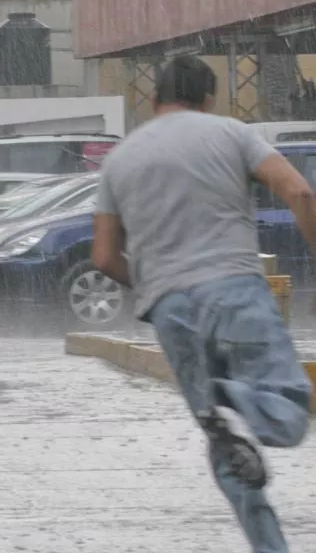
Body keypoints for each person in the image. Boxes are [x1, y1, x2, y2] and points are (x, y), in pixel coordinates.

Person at [92, 55, 313, 552]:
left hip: (170, 310)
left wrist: (153, 284)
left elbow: (104, 256)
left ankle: (270, 545)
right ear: (209, 99)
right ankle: (236, 399)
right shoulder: (230, 133)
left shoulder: (120, 158)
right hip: (233, 288)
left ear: (153, 101)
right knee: (289, 406)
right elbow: (297, 189)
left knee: (228, 450)